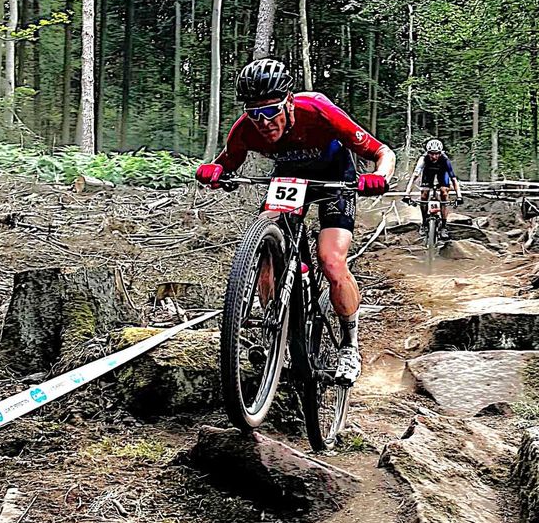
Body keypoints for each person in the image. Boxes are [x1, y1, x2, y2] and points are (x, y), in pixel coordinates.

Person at [195, 58, 397, 384]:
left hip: (335, 180)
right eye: (254, 114)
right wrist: (215, 172)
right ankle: (278, 330)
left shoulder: (317, 110)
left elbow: (382, 152)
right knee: (266, 249)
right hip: (289, 182)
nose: (263, 122)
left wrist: (379, 176)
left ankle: (350, 345)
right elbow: (227, 162)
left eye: (271, 111)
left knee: (331, 261)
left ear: (289, 102)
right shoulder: (246, 128)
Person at [402, 139, 463, 239]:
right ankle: (424, 223)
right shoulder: (423, 159)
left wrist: (459, 196)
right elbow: (414, 177)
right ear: (428, 153)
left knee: (444, 193)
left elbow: (453, 179)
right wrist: (407, 194)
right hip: (428, 174)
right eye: (431, 154)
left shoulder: (445, 160)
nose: (434, 157)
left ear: (440, 153)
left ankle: (444, 226)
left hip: (442, 174)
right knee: (424, 195)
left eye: (437, 154)